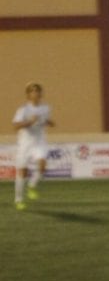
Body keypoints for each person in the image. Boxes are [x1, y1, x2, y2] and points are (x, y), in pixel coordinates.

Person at [12, 82, 55, 210]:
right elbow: (16, 126)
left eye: (38, 91)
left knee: (42, 165)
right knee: (22, 172)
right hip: (25, 144)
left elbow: (46, 121)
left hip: (39, 142)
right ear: (28, 95)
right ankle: (18, 199)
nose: (35, 93)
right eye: (32, 91)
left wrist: (49, 122)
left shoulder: (46, 108)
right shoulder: (23, 110)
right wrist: (29, 121)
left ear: (41, 94)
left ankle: (32, 185)